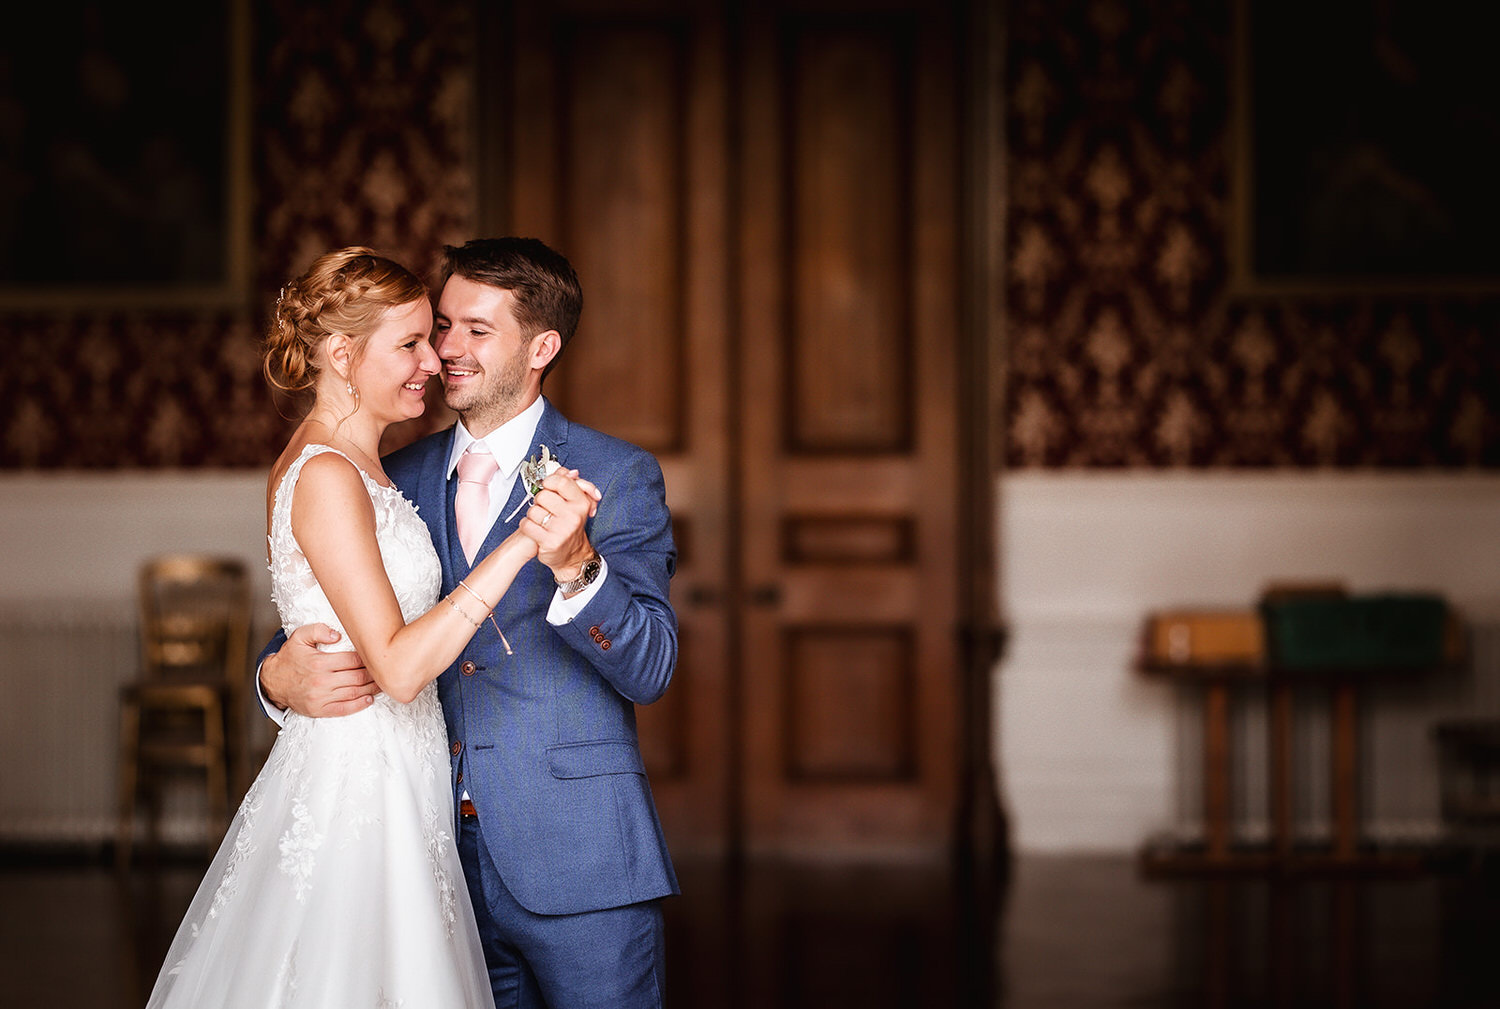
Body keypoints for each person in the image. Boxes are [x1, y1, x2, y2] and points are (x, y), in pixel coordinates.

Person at [258, 237, 680, 1009]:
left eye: (475, 331)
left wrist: (578, 564)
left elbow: (652, 666)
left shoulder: (617, 474)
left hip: (578, 857)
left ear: (541, 346)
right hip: (420, 855)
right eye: (437, 327)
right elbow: (323, 615)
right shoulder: (391, 470)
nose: (445, 351)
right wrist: (272, 676)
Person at [146, 248, 564, 1007]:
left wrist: (278, 672)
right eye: (409, 343)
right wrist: (524, 544)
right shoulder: (328, 475)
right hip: (356, 787)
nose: (433, 361)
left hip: (402, 775)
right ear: (341, 354)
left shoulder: (370, 469)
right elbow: (399, 669)